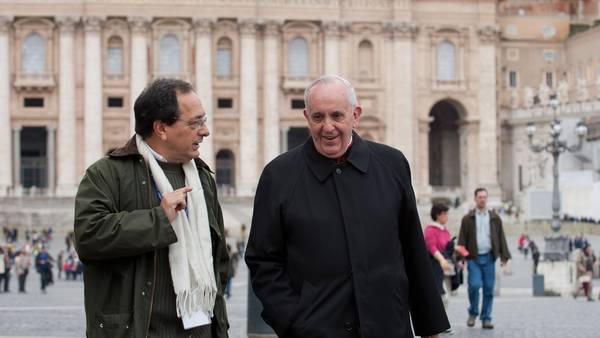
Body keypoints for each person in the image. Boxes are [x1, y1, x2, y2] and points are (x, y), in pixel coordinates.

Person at [245, 75, 449, 338]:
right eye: (318, 117)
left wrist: (430, 326)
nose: (327, 127)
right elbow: (263, 260)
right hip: (315, 330)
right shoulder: (278, 176)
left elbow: (413, 250)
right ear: (306, 117)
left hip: (388, 326)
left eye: (337, 116)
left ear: (356, 115)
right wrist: (293, 322)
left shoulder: (392, 164)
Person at [73, 79, 230, 338]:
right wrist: (159, 219)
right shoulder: (106, 174)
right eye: (195, 123)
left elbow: (218, 263)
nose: (205, 131)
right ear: (161, 128)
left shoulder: (202, 179)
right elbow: (88, 237)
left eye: (204, 120)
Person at [458, 187, 511, 330]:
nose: (482, 199)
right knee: (474, 286)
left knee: (489, 289)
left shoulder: (495, 218)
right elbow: (462, 238)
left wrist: (504, 255)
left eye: (484, 197)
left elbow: (501, 237)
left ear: (487, 199)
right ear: (475, 199)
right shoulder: (467, 219)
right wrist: (461, 257)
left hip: (489, 258)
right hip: (473, 258)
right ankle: (473, 312)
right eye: (480, 197)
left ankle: (486, 318)